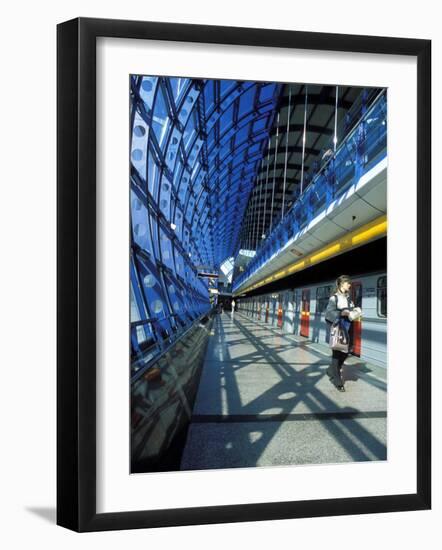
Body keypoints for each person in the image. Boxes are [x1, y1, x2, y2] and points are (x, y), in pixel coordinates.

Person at [325, 275, 362, 392]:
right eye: (348, 283)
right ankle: (337, 381)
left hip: (348, 328)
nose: (349, 285)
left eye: (350, 284)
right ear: (341, 284)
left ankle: (331, 370)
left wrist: (356, 311)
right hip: (338, 329)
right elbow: (329, 313)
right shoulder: (334, 298)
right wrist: (342, 313)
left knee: (347, 351)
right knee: (336, 354)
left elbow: (350, 310)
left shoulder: (349, 298)